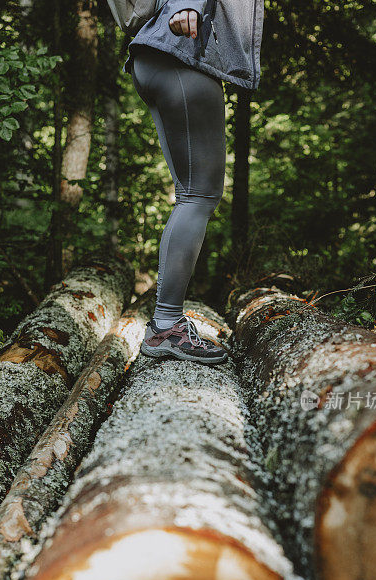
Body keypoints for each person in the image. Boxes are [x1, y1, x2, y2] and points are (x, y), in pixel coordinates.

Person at [122, 0, 265, 364]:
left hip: (155, 55)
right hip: (180, 52)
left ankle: (165, 323)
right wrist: (186, 4)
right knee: (199, 197)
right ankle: (166, 325)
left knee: (190, 195)